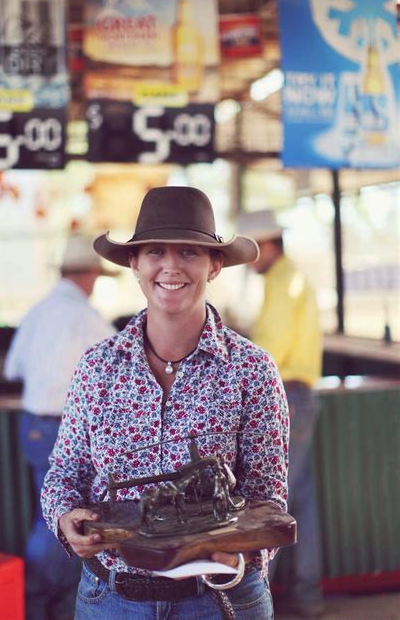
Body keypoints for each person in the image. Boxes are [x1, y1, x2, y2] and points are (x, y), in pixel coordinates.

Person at [41, 186, 290, 620]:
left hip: (221, 598)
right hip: (111, 599)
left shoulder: (252, 369)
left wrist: (245, 556)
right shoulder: (97, 368)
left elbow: (268, 495)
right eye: (155, 251)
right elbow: (65, 472)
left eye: (189, 253)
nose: (171, 266)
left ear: (214, 266)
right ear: (134, 264)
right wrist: (64, 518)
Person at [4, 235, 117, 620]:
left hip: (33, 424)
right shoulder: (87, 318)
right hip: (65, 429)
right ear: (87, 275)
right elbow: (123, 372)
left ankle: (51, 603)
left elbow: (11, 369)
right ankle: (38, 602)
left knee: (53, 516)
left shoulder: (38, 311)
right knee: (63, 519)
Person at [239, 209, 324, 618]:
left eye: (252, 251)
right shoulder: (292, 278)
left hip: (285, 394)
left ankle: (257, 600)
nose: (250, 261)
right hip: (301, 394)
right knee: (297, 499)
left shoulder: (280, 282)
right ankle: (309, 595)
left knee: (267, 501)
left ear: (267, 245)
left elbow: (268, 352)